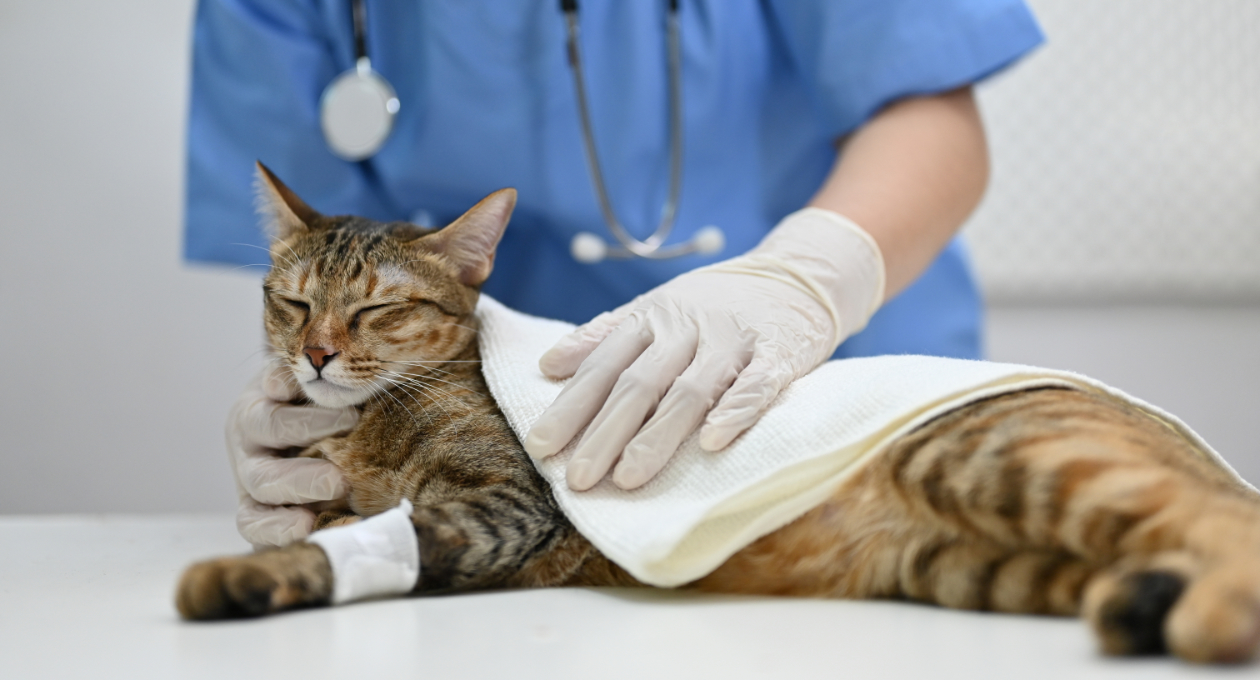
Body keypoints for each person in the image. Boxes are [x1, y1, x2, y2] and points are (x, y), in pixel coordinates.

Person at [186, 0, 1044, 547]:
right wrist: (311, 420)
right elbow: (319, 266)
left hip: (838, 367)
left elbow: (933, 118)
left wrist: (804, 281)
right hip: (523, 428)